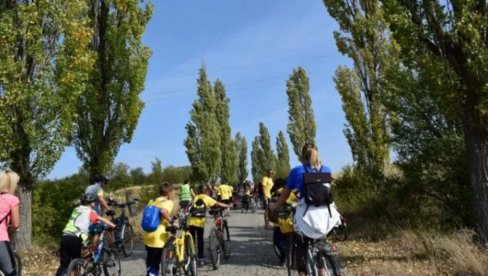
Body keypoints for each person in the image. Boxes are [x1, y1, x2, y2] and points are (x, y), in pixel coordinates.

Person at [270, 143, 340, 275]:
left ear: (303, 156)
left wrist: (274, 206)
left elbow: (285, 195)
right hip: (327, 214)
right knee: (320, 242)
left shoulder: (297, 171)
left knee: (301, 243)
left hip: (307, 215)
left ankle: (302, 273)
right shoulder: (327, 169)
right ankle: (322, 270)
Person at [55, 193, 116, 276]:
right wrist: (114, 226)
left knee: (64, 264)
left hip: (65, 237)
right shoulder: (90, 212)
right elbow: (101, 219)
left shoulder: (76, 209)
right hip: (76, 238)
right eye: (94, 201)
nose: (94, 203)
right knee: (76, 262)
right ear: (91, 203)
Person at [188, 184, 229, 267]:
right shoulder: (206, 197)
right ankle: (201, 260)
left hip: (191, 221)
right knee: (200, 240)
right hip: (199, 222)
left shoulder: (196, 197)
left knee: (192, 240)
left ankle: (191, 258)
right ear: (206, 191)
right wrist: (227, 206)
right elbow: (217, 203)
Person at [143, 182, 175, 276]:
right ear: (169, 192)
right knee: (155, 265)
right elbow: (163, 211)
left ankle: (149, 273)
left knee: (150, 260)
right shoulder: (168, 202)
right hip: (158, 238)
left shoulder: (151, 201)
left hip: (147, 235)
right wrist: (172, 221)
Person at [0, 170, 20, 276]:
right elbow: (16, 224)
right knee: (11, 273)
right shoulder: (12, 199)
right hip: (1, 240)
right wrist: (11, 228)